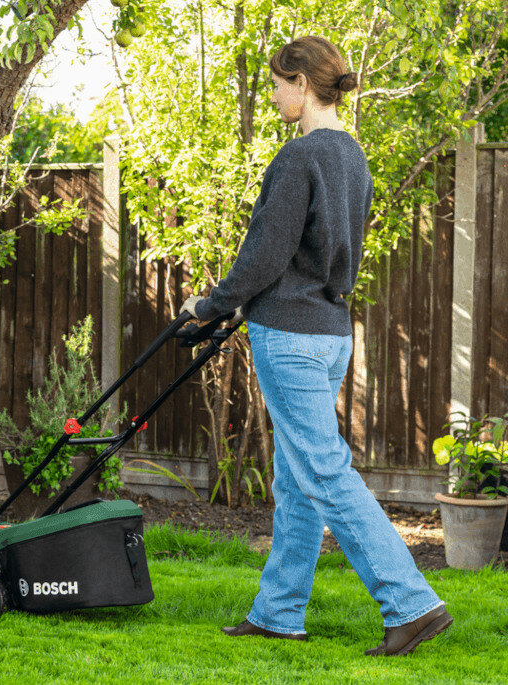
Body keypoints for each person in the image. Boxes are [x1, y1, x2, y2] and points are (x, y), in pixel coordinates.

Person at [179, 36, 452, 657]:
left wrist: (213, 303)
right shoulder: (354, 158)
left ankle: (412, 603)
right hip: (330, 334)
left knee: (323, 472)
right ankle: (278, 611)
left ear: (302, 84)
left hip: (290, 334)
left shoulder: (299, 158)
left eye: (278, 83)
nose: (274, 94)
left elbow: (265, 255)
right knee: (299, 478)